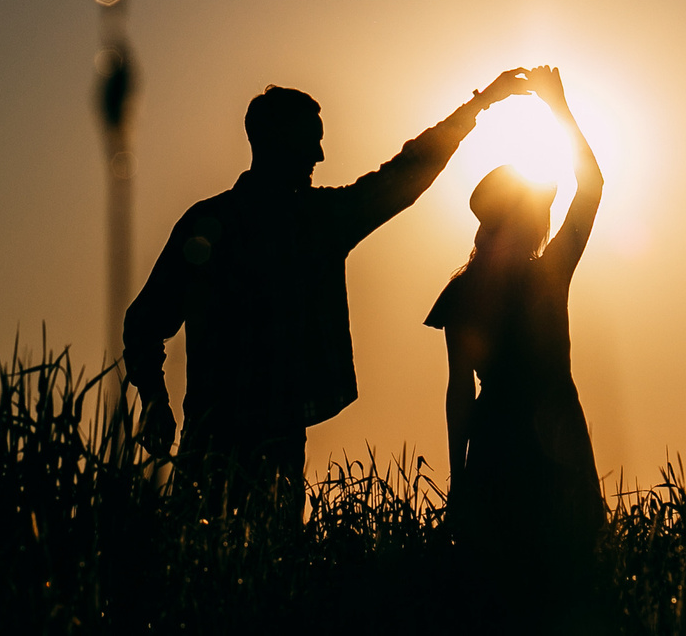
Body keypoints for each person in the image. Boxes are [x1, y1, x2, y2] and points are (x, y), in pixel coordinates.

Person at [123, 70, 528, 511]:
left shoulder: (221, 221)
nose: (319, 153)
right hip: (231, 446)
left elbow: (143, 325)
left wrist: (155, 403)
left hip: (245, 445)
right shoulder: (308, 223)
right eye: (310, 140)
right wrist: (154, 401)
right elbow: (405, 175)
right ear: (276, 141)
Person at [427, 64, 605, 632]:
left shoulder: (465, 292)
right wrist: (558, 106)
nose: (548, 211)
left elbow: (460, 395)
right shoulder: (549, 272)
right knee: (565, 584)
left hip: (497, 441)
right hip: (555, 431)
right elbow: (593, 185)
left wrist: (459, 485)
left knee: (501, 596)